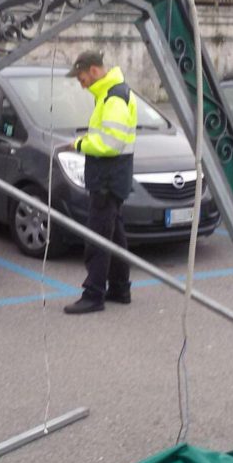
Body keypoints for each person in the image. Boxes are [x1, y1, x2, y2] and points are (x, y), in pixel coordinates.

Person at [62, 50, 137, 315]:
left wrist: (78, 144)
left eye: (82, 79)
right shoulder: (111, 94)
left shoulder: (114, 97)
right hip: (112, 175)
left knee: (97, 238)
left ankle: (94, 294)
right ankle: (119, 288)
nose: (82, 85)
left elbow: (110, 143)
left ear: (93, 71)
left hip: (107, 176)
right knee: (114, 235)